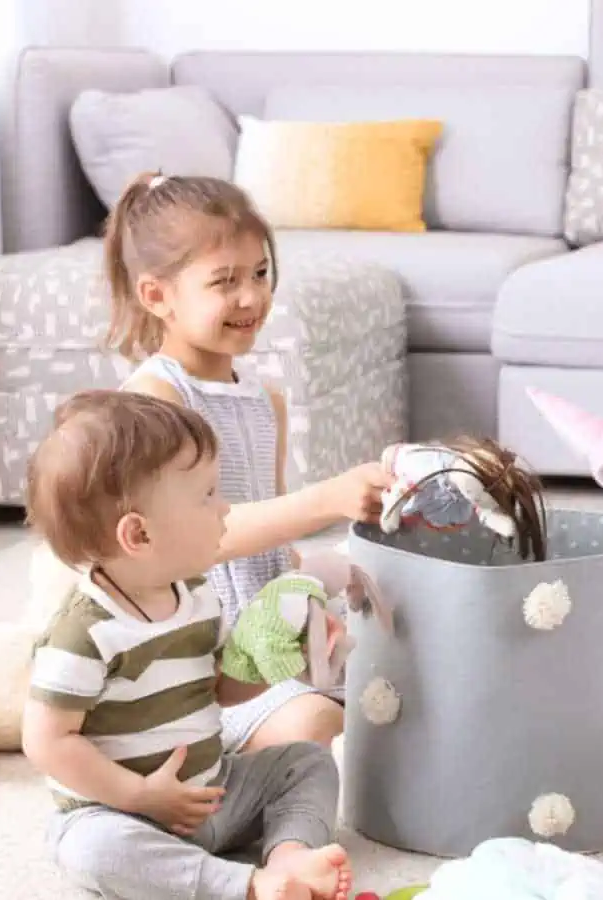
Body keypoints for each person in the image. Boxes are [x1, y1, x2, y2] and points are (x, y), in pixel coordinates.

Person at [101, 171, 395, 754]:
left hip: (271, 636)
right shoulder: (155, 400)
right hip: (202, 666)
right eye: (224, 281)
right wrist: (324, 501)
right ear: (157, 295)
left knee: (400, 685)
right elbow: (191, 541)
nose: (251, 298)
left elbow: (273, 551)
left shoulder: (267, 404)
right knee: (321, 727)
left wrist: (319, 591)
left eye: (260, 274)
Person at [21, 390, 353, 900]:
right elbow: (47, 742)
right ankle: (241, 885)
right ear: (139, 535)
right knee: (90, 850)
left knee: (306, 763)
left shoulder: (196, 593)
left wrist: (274, 657)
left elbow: (220, 688)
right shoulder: (83, 633)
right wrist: (140, 795)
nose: (224, 510)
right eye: (207, 496)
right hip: (122, 810)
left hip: (212, 789)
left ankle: (290, 856)